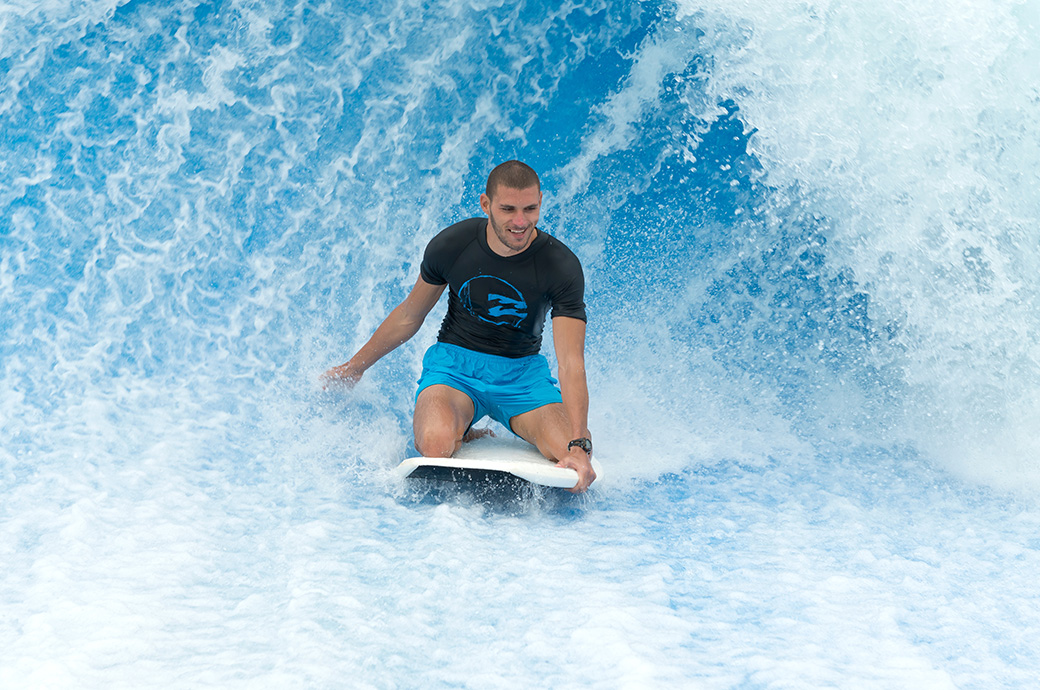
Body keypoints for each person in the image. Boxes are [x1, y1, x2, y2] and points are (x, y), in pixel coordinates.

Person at [322, 160, 596, 493]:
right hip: (454, 370)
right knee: (435, 447)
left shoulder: (560, 265)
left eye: (530, 209)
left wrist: (579, 445)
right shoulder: (454, 245)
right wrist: (355, 367)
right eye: (508, 209)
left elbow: (571, 362)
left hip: (522, 379)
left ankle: (490, 427)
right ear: (486, 204)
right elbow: (410, 315)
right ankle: (460, 426)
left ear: (540, 201)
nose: (520, 222)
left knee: (568, 449)